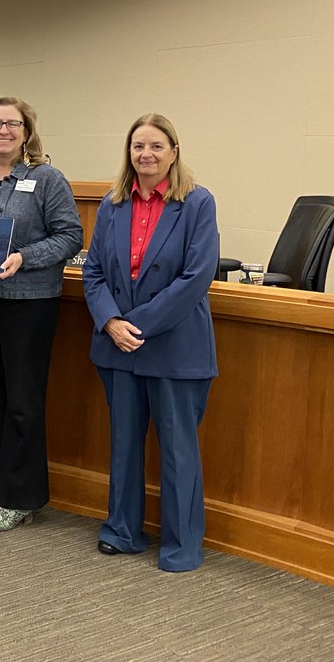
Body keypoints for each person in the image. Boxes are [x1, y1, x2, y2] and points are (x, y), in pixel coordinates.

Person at [82, 113, 218, 572]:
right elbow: (94, 272)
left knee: (178, 449)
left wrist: (134, 324)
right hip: (117, 345)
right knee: (123, 444)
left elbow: (196, 277)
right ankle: (121, 531)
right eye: (138, 146)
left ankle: (182, 545)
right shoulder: (112, 204)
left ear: (174, 152)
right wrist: (110, 322)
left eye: (157, 146)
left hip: (173, 345)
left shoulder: (198, 204)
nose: (146, 154)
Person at [0, 97, 83, 533]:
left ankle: (20, 498)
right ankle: (0, 484)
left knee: (22, 400)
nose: (4, 130)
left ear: (27, 132)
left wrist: (24, 256)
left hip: (28, 302)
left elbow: (70, 236)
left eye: (13, 123)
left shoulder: (46, 179)